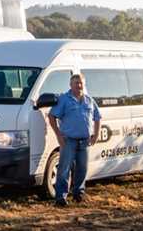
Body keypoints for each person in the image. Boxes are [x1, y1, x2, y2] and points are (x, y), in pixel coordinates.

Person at [47, 73, 101, 206]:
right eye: (76, 83)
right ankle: (61, 198)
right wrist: (58, 135)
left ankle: (79, 194)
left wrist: (96, 135)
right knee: (64, 169)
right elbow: (52, 116)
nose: (79, 85)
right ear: (70, 85)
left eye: (81, 82)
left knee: (82, 168)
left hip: (85, 141)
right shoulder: (64, 99)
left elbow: (97, 117)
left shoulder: (89, 100)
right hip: (68, 140)